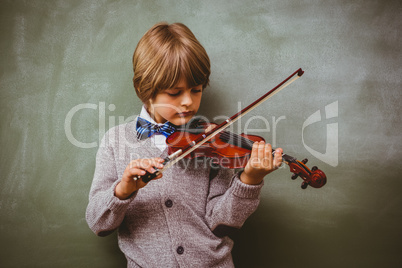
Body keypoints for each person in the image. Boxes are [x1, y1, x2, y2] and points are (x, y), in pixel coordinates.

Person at [86, 22, 283, 267]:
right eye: (174, 92)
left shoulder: (210, 141)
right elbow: (98, 222)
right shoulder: (115, 142)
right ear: (144, 90)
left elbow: (221, 222)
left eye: (196, 90)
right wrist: (123, 190)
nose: (188, 101)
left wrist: (249, 180)